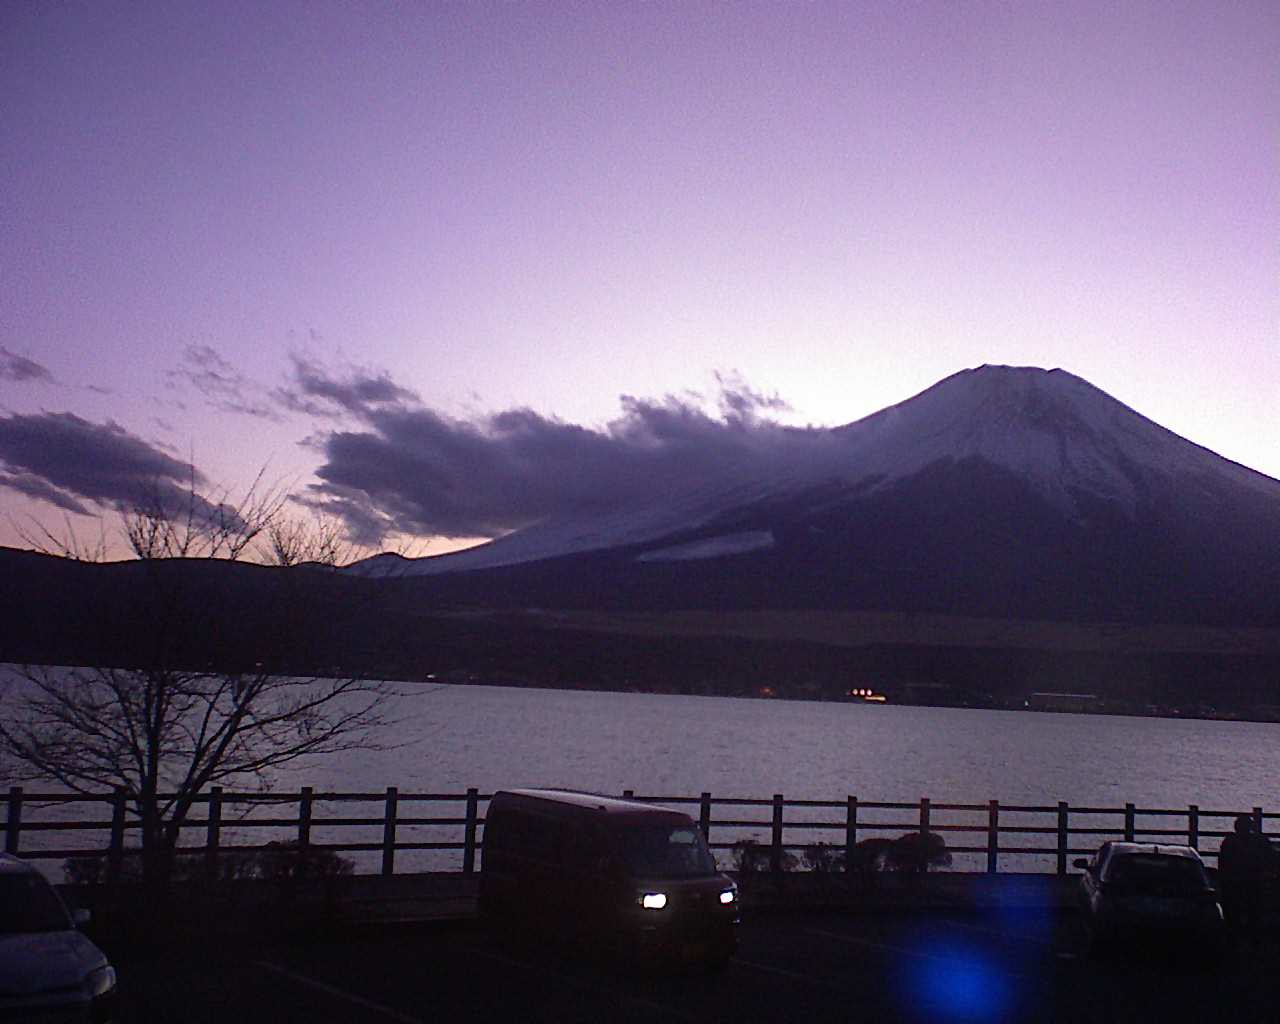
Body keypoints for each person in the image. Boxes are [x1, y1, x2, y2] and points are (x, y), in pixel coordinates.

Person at [1218, 814, 1274, 948]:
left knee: (1235, 913)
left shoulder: (1229, 842)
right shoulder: (1260, 841)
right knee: (1253, 912)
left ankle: (1235, 941)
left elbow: (1223, 863)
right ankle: (1254, 941)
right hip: (1252, 881)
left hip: (1235, 882)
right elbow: (1269, 859)